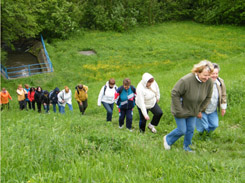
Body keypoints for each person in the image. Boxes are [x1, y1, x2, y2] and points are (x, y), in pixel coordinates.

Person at [163, 60, 214, 152]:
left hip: (193, 110)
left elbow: (208, 97)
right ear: (198, 72)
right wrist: (179, 110)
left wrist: (199, 109)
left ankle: (187, 147)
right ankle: (168, 139)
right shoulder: (186, 80)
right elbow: (175, 93)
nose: (207, 78)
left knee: (190, 130)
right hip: (181, 109)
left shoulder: (209, 82)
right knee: (182, 130)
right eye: (205, 75)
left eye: (209, 75)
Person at [196, 63, 227, 138]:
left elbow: (223, 95)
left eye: (217, 73)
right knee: (203, 126)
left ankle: (206, 135)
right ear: (208, 74)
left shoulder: (220, 82)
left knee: (214, 125)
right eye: (213, 73)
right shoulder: (203, 82)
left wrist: (223, 107)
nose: (215, 75)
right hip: (202, 109)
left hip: (213, 109)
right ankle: (201, 137)